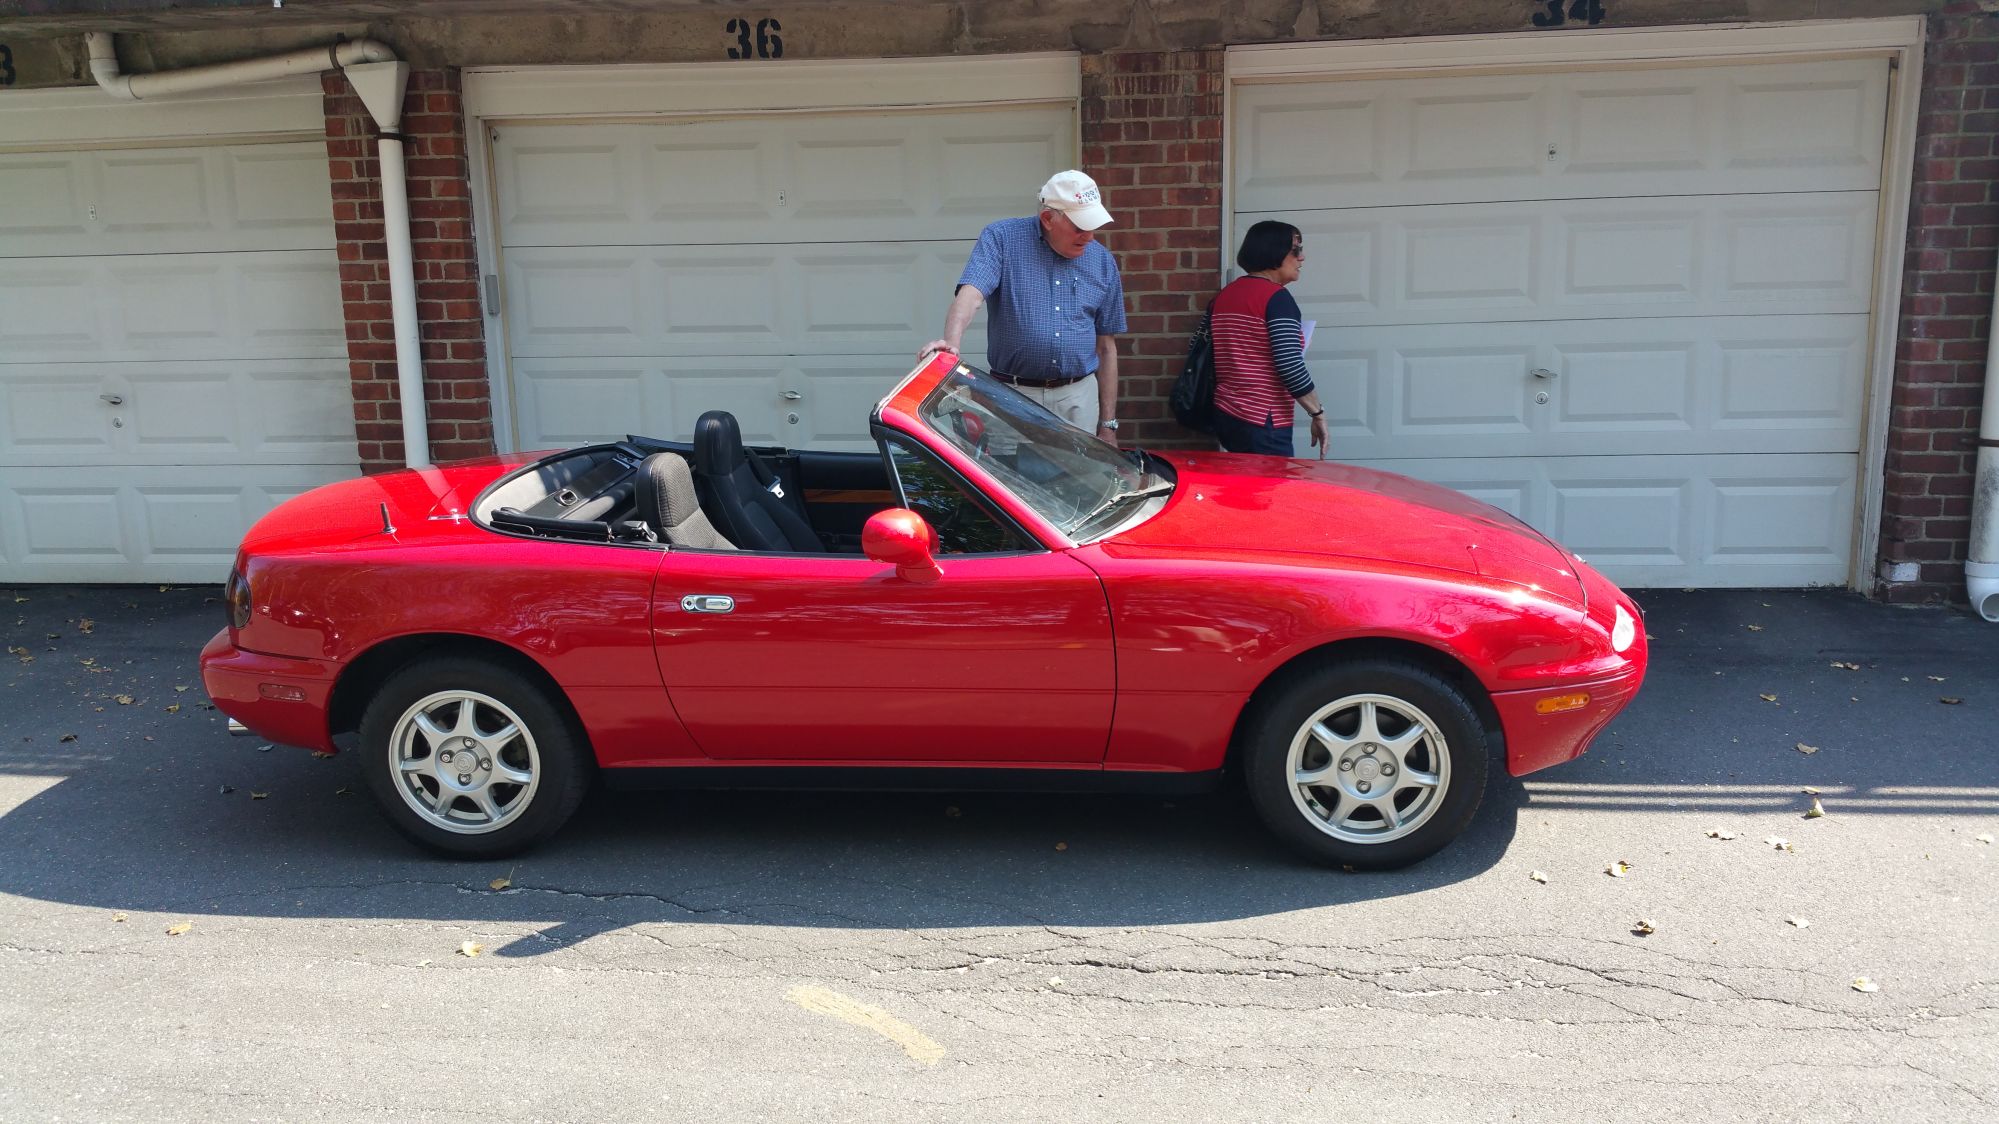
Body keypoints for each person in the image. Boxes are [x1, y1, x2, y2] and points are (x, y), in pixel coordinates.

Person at [919, 170, 1128, 446]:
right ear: (1048, 219)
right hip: (1012, 397)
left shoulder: (1102, 261)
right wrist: (951, 345)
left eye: (1093, 226)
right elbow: (972, 294)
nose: (1089, 236)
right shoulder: (1002, 239)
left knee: (1078, 473)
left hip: (1078, 399)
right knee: (1007, 472)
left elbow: (1106, 348)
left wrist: (1108, 426)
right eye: (1080, 227)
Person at [1210, 220, 1329, 458]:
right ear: (1273, 251)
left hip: (1227, 413)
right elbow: (1289, 365)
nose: (1302, 257)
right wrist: (1317, 413)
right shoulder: (1276, 298)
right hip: (1262, 418)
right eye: (1296, 250)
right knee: (1272, 481)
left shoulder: (1224, 296)